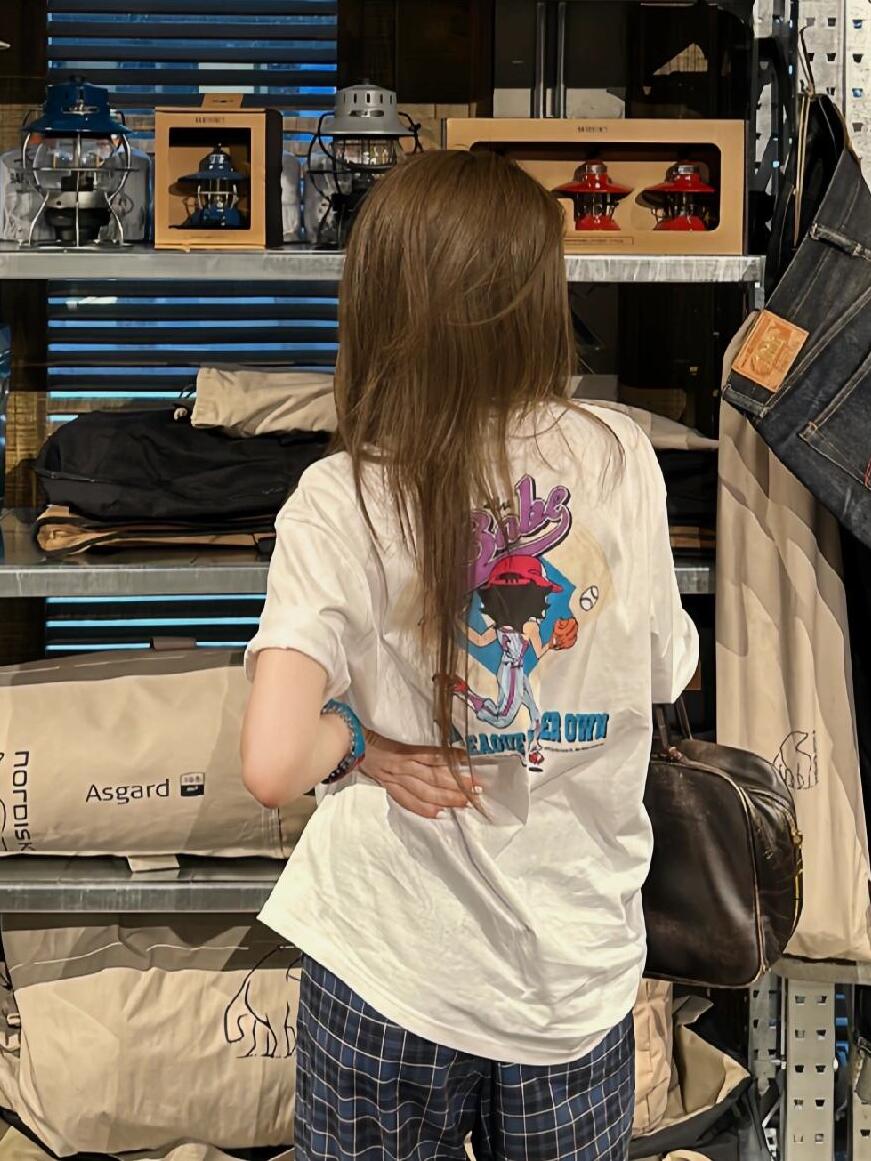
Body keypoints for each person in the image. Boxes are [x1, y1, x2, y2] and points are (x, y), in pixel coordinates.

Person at [241, 148, 698, 1161]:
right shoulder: (619, 456)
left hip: (388, 960)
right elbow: (667, 672)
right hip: (569, 971)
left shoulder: (343, 495)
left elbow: (272, 763)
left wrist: (361, 740)